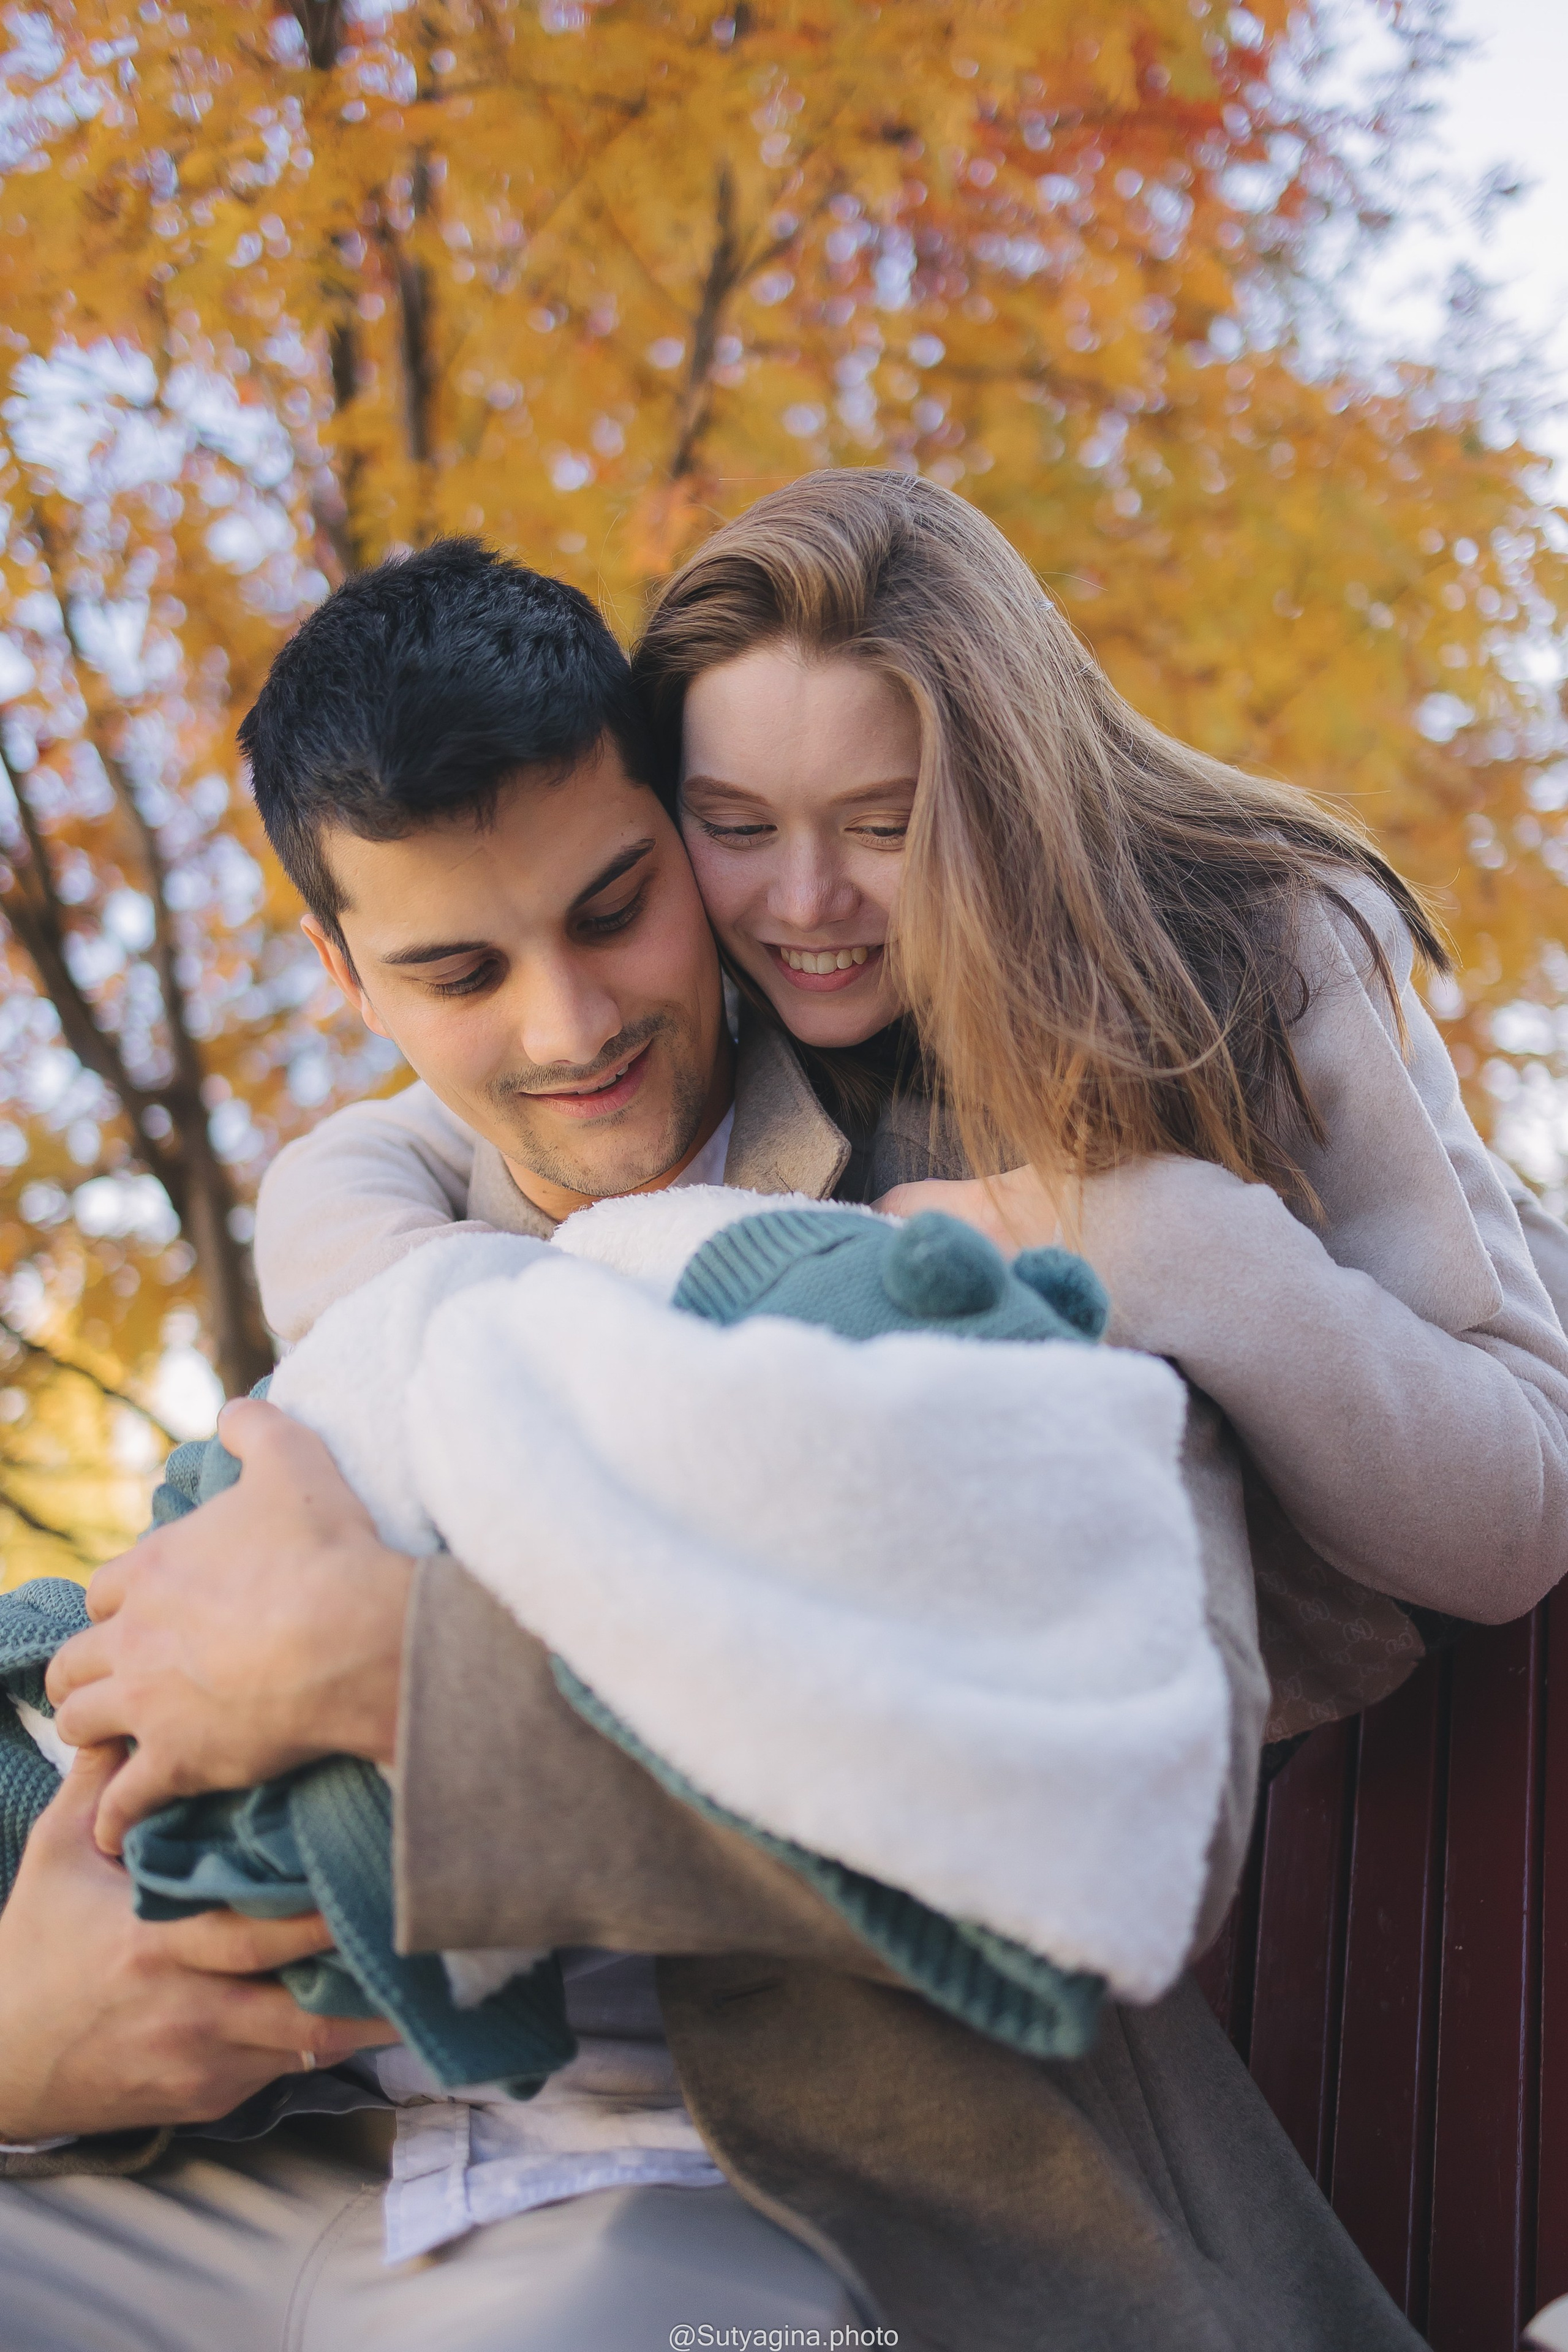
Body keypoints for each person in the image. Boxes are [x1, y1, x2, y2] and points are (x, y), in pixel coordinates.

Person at [0, 526, 1450, 2348]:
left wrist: (403, 1684)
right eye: (460, 971)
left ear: (683, 840)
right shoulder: (370, 1269)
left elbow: (1138, 1773)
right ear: (343, 974)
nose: (573, 1021)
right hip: (269, 2168)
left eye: (615, 908)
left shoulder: (976, 1199)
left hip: (759, 2193)